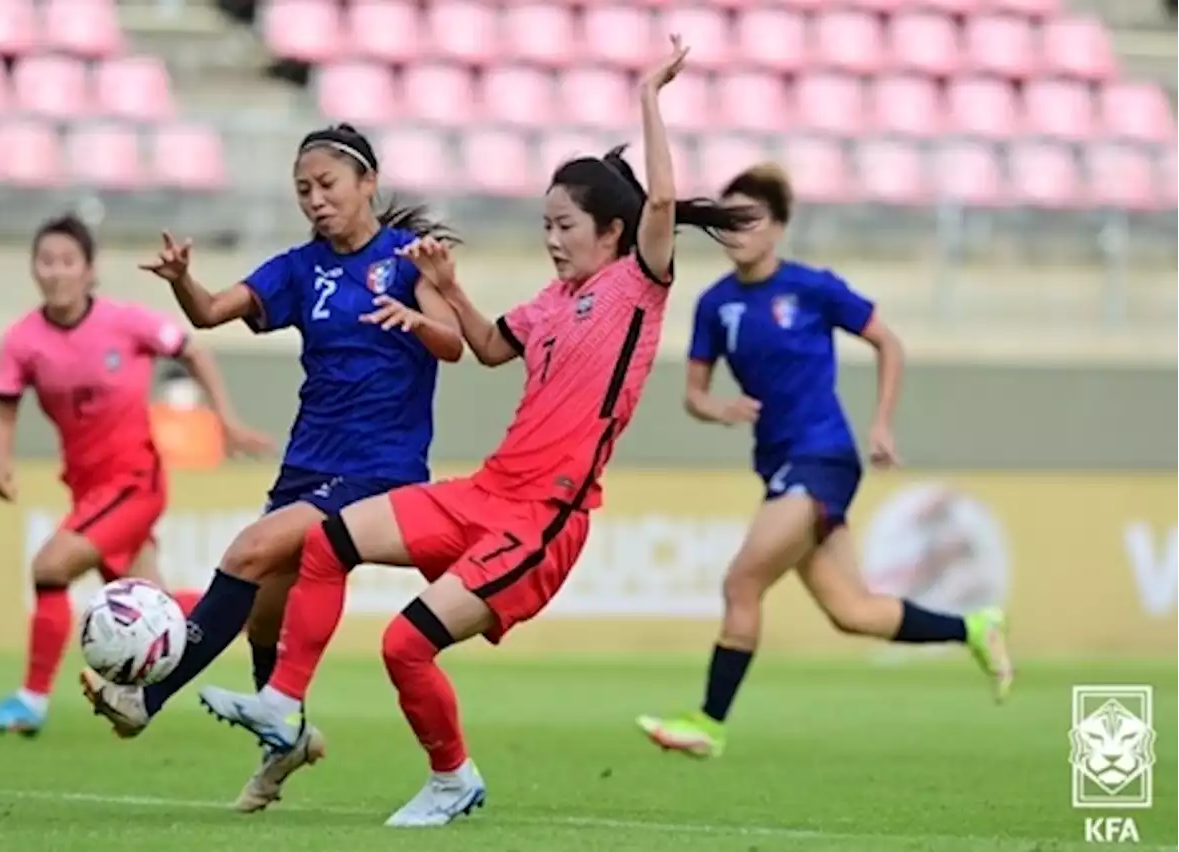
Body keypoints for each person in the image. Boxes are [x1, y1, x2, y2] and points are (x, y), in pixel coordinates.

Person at [187, 36, 761, 828]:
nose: (551, 238)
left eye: (564, 225)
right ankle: (281, 705)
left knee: (404, 643)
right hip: (489, 491)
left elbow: (661, 205)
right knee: (325, 542)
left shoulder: (638, 288)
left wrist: (650, 99)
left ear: (614, 234)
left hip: (546, 515)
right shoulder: (551, 302)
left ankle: (453, 778)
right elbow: (489, 349)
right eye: (545, 224)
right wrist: (449, 292)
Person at [79, 123, 466, 813]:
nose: (316, 200)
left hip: (380, 469)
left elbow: (454, 344)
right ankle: (281, 744)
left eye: (328, 185)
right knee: (263, 617)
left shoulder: (407, 261)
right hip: (307, 463)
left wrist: (414, 315)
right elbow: (211, 312)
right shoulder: (298, 268)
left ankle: (146, 697)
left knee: (248, 551)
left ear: (368, 183)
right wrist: (182, 282)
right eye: (303, 190)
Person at [634, 164, 1014, 761]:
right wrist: (717, 409)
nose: (735, 231)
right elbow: (694, 394)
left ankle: (709, 722)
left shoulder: (813, 288)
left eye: (749, 220)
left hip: (823, 457)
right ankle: (973, 627)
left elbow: (888, 341)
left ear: (779, 228)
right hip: (781, 466)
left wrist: (882, 423)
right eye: (726, 221)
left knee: (741, 580)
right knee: (852, 611)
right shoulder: (715, 305)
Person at [0, 214, 266, 737]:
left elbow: (192, 348)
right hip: (88, 488)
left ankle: (31, 700)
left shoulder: (125, 321)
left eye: (68, 261)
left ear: (89, 270)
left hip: (134, 482)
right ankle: (253, 612)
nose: (56, 272)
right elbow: (4, 406)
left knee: (49, 568)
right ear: (33, 270)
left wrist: (227, 420)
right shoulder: (24, 339)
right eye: (46, 261)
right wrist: (2, 465)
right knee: (156, 607)